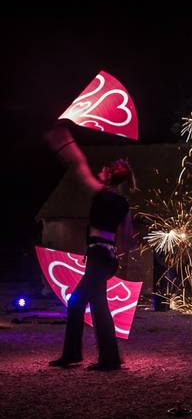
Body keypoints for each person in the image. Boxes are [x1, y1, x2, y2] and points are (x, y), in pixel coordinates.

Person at [45, 121, 135, 371]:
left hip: (97, 255)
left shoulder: (102, 194)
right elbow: (126, 239)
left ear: (108, 177)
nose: (100, 170)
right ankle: (103, 358)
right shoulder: (122, 203)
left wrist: (65, 142)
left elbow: (78, 165)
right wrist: (120, 264)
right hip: (107, 257)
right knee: (93, 304)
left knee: (80, 303)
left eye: (104, 169)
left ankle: (89, 357)